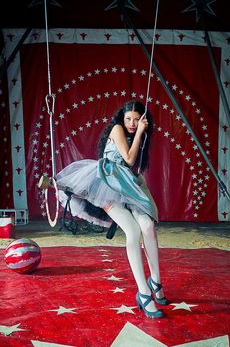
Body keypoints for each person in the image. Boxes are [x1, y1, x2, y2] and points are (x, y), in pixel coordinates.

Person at [41, 100, 168, 318]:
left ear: (143, 121)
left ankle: (155, 281)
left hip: (129, 186)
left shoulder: (141, 136)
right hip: (107, 184)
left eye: (136, 120)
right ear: (122, 118)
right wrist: (139, 133)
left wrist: (140, 134)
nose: (131, 123)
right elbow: (128, 159)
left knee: (147, 227)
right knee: (133, 231)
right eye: (128, 118)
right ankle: (144, 293)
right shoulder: (118, 129)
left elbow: (133, 167)